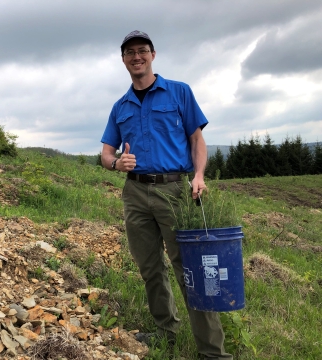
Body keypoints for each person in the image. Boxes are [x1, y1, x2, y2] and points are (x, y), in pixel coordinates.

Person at [100, 30, 232, 360]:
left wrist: (199, 175)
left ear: (153, 55)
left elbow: (197, 140)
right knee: (150, 269)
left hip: (175, 191)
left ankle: (212, 352)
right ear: (123, 60)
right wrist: (117, 163)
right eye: (130, 53)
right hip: (135, 194)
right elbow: (104, 153)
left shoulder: (179, 93)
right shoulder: (120, 106)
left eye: (142, 50)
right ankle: (166, 332)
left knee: (190, 271)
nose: (136, 57)